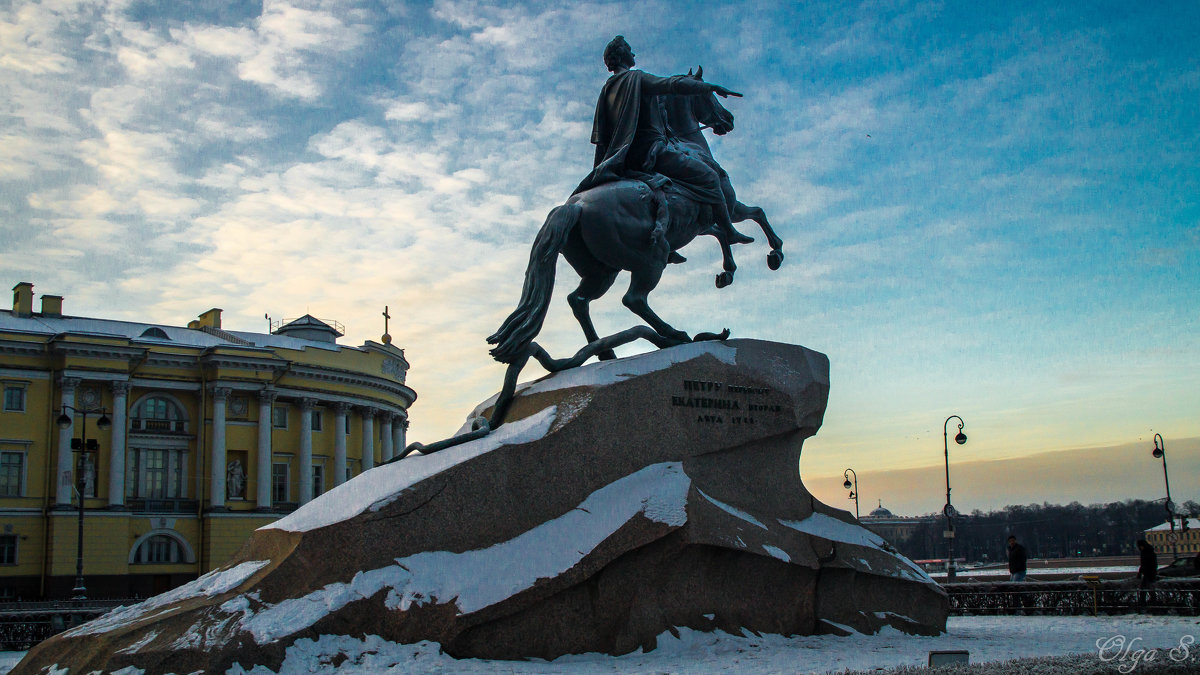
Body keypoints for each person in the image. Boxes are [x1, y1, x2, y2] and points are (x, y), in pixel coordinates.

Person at [575, 35, 753, 247]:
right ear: (622, 56)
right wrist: (708, 87)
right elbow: (671, 84)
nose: (634, 54)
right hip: (652, 152)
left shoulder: (607, 89)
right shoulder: (636, 79)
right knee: (710, 177)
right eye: (630, 50)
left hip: (622, 159)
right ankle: (729, 230)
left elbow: (601, 135)